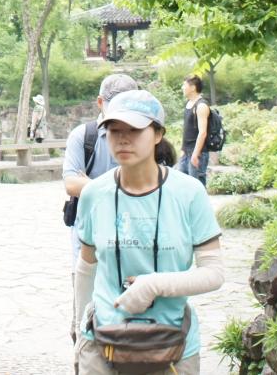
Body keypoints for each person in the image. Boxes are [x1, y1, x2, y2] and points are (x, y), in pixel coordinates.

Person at [73, 89, 224, 374]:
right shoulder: (94, 193)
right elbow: (86, 266)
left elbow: (214, 272)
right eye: (114, 130)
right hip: (102, 342)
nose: (123, 139)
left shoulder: (189, 193)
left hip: (172, 344)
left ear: (158, 134)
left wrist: (153, 285)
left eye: (134, 129)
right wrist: (80, 327)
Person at [62, 73, 138, 262]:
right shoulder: (83, 136)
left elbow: (155, 185)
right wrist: (125, 189)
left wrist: (91, 184)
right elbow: (71, 185)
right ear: (100, 102)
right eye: (115, 107)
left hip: (135, 229)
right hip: (89, 229)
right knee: (85, 277)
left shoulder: (145, 136)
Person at [176, 75, 215, 185]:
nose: (182, 88)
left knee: (197, 187)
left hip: (198, 153)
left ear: (193, 87)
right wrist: (183, 150)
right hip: (186, 152)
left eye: (184, 85)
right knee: (183, 185)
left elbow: (202, 133)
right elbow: (188, 130)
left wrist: (195, 154)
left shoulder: (201, 106)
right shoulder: (189, 104)